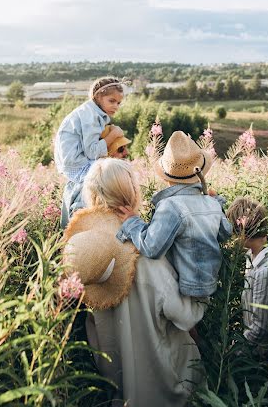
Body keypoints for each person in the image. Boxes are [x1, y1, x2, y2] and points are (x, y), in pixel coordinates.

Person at [63, 158, 204, 407]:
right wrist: (202, 295)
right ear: (133, 194)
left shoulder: (90, 257)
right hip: (167, 390)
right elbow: (185, 316)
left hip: (120, 393)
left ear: (92, 197)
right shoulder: (149, 256)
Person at [116, 130, 233, 298]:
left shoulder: (170, 206)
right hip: (210, 286)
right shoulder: (211, 202)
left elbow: (151, 248)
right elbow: (225, 233)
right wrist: (217, 205)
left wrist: (132, 222)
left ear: (166, 177)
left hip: (182, 290)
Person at [54, 76, 128, 228]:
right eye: (111, 101)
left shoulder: (90, 112)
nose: (116, 106)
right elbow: (92, 152)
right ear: (98, 97)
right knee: (108, 174)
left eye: (119, 103)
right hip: (77, 164)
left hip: (72, 161)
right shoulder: (91, 117)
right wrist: (113, 135)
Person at [226, 197, 268, 360]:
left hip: (265, 358)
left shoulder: (266, 271)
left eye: (234, 233)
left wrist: (231, 355)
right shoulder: (260, 252)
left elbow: (259, 328)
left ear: (242, 232)